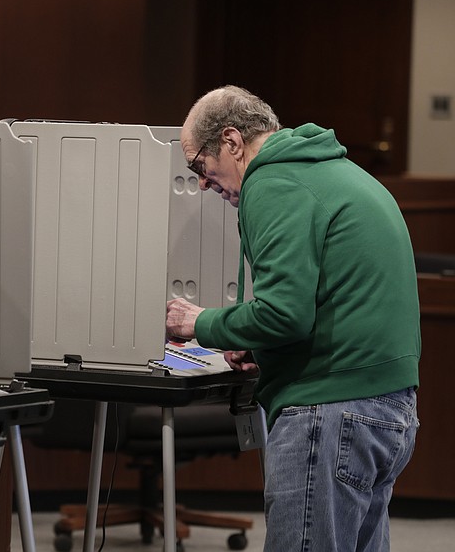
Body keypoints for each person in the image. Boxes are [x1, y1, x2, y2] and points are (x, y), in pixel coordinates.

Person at [165, 85, 420, 551]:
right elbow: (330, 303)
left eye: (199, 165)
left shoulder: (273, 183)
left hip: (331, 410)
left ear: (232, 142)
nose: (201, 182)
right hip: (389, 411)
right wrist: (261, 348)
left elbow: (284, 315)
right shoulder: (333, 172)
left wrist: (198, 324)